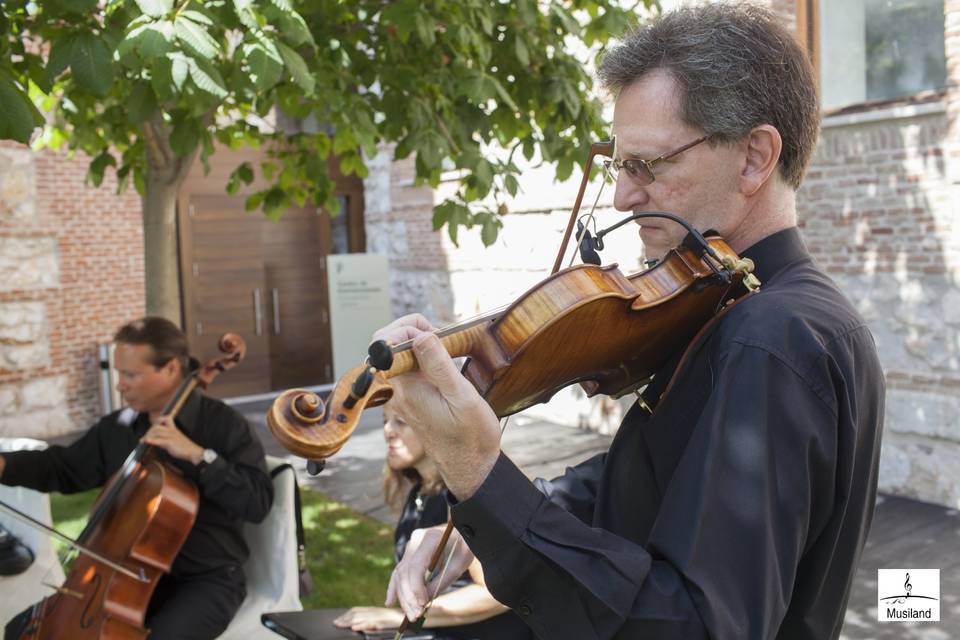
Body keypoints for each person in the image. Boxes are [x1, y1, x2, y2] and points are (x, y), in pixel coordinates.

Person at [376, 4, 885, 640]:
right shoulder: (732, 308)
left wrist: (479, 472)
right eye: (620, 165)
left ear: (755, 157)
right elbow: (650, 481)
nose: (623, 196)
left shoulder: (770, 339)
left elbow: (695, 625)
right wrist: (495, 525)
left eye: (649, 164)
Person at [0, 317, 274, 640]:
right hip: (127, 576)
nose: (119, 385)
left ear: (171, 369)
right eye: (119, 374)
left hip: (205, 579)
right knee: (22, 629)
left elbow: (257, 501)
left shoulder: (222, 425)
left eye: (129, 374)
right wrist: (4, 465)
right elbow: (62, 467)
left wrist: (200, 456)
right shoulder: (119, 428)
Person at [333, 404, 530, 639]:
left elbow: (496, 594)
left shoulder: (462, 495)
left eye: (401, 421)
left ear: (438, 428)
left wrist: (399, 618)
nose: (387, 430)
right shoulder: (420, 491)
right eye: (385, 420)